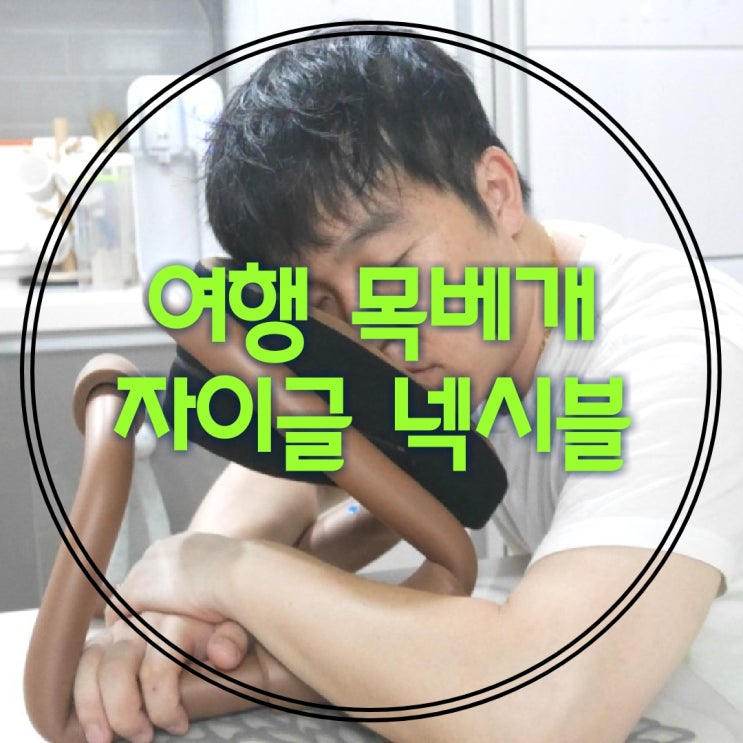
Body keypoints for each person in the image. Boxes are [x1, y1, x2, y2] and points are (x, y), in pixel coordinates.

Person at [72, 28, 743, 743]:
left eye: (391, 269)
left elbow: (544, 711)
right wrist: (173, 609)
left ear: (496, 191)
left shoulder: (677, 351)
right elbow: (298, 462)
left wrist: (226, 572)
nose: (376, 334)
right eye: (324, 306)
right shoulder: (485, 312)